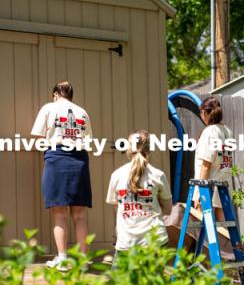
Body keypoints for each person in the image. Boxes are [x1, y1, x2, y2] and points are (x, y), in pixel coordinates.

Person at [31, 81, 92, 270]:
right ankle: (83, 261)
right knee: (80, 215)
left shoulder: (49, 108)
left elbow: (39, 138)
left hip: (57, 158)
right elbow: (89, 140)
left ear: (56, 94)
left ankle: (63, 259)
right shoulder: (82, 112)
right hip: (80, 160)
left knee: (59, 213)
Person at [106, 130, 172, 262]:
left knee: (121, 282)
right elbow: (168, 209)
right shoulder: (158, 175)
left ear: (129, 149)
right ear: (149, 149)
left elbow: (117, 208)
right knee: (154, 283)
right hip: (155, 241)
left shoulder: (117, 175)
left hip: (127, 241)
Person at [193, 96, 234, 221]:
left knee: (206, 230)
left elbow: (206, 163)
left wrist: (199, 191)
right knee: (222, 229)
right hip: (223, 186)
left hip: (208, 187)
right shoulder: (227, 131)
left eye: (201, 112)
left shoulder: (210, 132)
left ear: (205, 112)